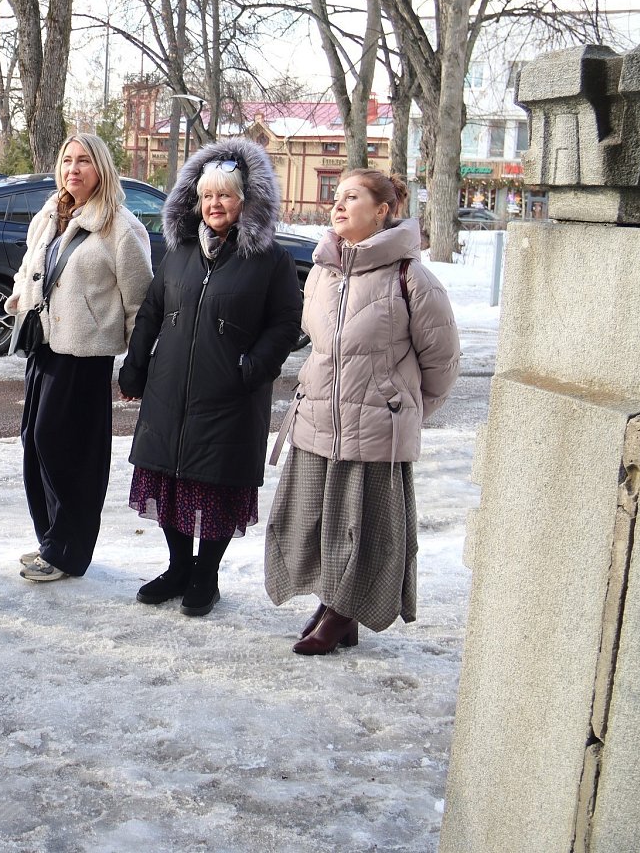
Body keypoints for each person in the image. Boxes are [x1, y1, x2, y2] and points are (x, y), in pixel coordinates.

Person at [265, 168, 460, 654]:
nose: (339, 203)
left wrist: (396, 409)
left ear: (382, 210)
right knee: (316, 520)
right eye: (336, 195)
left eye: (352, 196)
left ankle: (342, 612)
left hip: (373, 431)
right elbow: (317, 346)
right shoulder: (324, 273)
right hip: (317, 423)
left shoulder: (411, 277)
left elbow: (442, 364)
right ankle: (335, 603)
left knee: (359, 525)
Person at [118, 140, 303, 615]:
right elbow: (152, 311)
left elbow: (285, 322)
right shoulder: (179, 252)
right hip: (170, 388)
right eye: (207, 197)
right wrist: (135, 366)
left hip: (231, 395)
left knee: (216, 486)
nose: (215, 205)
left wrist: (253, 368)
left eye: (225, 196)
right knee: (171, 481)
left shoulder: (270, 260)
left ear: (246, 201)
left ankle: (207, 574)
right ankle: (179, 567)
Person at [5, 133, 152, 582]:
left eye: (84, 161)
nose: (74, 168)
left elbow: (141, 301)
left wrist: (136, 365)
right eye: (67, 160)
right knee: (35, 441)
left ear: (102, 169)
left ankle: (69, 549)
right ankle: (51, 539)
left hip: (85, 355)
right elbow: (32, 265)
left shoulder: (121, 227)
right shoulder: (49, 214)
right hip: (45, 346)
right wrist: (20, 298)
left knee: (66, 449)